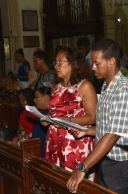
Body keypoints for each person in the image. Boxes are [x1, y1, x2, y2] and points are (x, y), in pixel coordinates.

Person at [67, 39, 128, 194]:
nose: (93, 67)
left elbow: (113, 135)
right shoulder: (106, 85)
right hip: (107, 159)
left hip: (122, 164)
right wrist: (86, 131)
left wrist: (83, 167)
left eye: (97, 63)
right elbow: (107, 125)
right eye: (92, 63)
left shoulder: (123, 89)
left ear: (111, 61)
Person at [41, 47, 97, 180]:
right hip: (54, 138)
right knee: (57, 180)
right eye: (55, 62)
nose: (56, 66)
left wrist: (69, 120)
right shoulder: (56, 86)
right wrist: (46, 117)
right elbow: (54, 111)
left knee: (74, 182)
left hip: (75, 139)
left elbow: (92, 117)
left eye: (60, 62)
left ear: (73, 64)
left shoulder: (85, 86)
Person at [32, 85, 52, 158]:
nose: (34, 100)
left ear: (45, 97)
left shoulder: (48, 115)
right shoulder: (43, 113)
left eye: (36, 97)